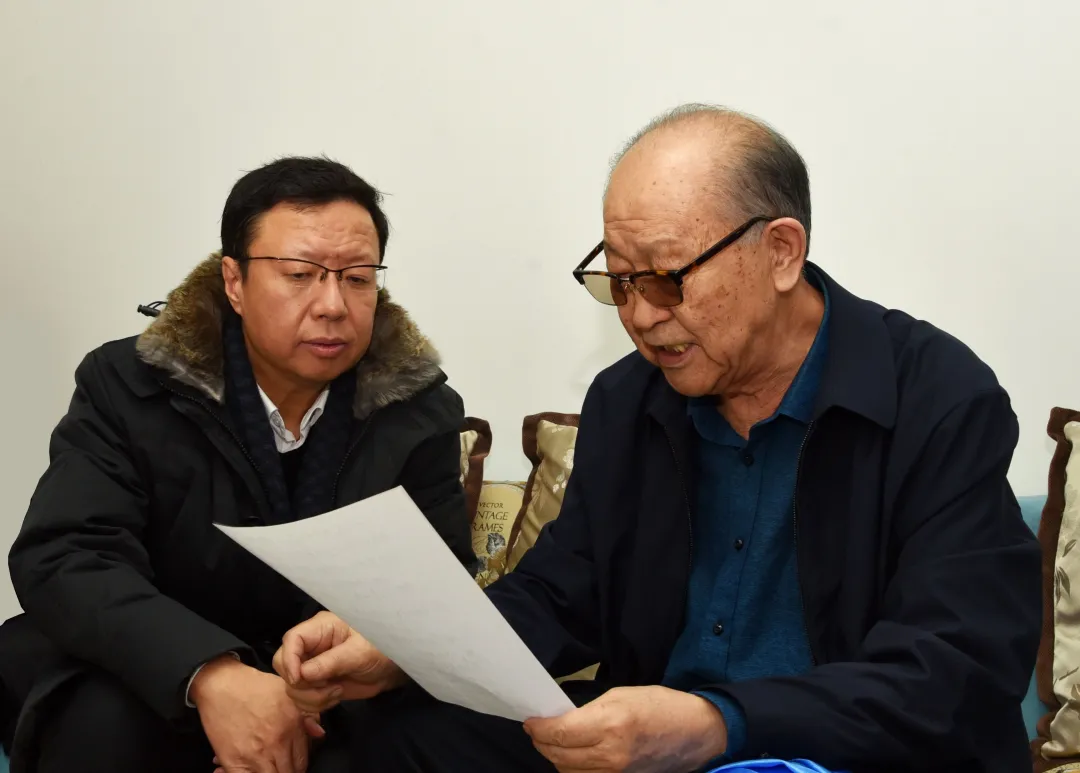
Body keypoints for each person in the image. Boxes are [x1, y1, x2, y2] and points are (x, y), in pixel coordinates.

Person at [273, 106, 1043, 773]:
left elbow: (953, 669)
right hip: (653, 749)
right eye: (620, 282)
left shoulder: (933, 395)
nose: (641, 317)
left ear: (780, 251)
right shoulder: (630, 398)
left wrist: (717, 721)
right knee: (392, 735)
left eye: (668, 279)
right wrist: (406, 647)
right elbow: (559, 594)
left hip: (844, 752)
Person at [0, 157, 476, 773]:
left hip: (328, 691)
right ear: (234, 281)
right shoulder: (129, 385)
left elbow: (440, 584)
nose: (333, 304)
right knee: (101, 722)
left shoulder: (419, 409)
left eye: (358, 278)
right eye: (300, 275)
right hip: (152, 668)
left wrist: (369, 651)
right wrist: (210, 673)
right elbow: (68, 556)